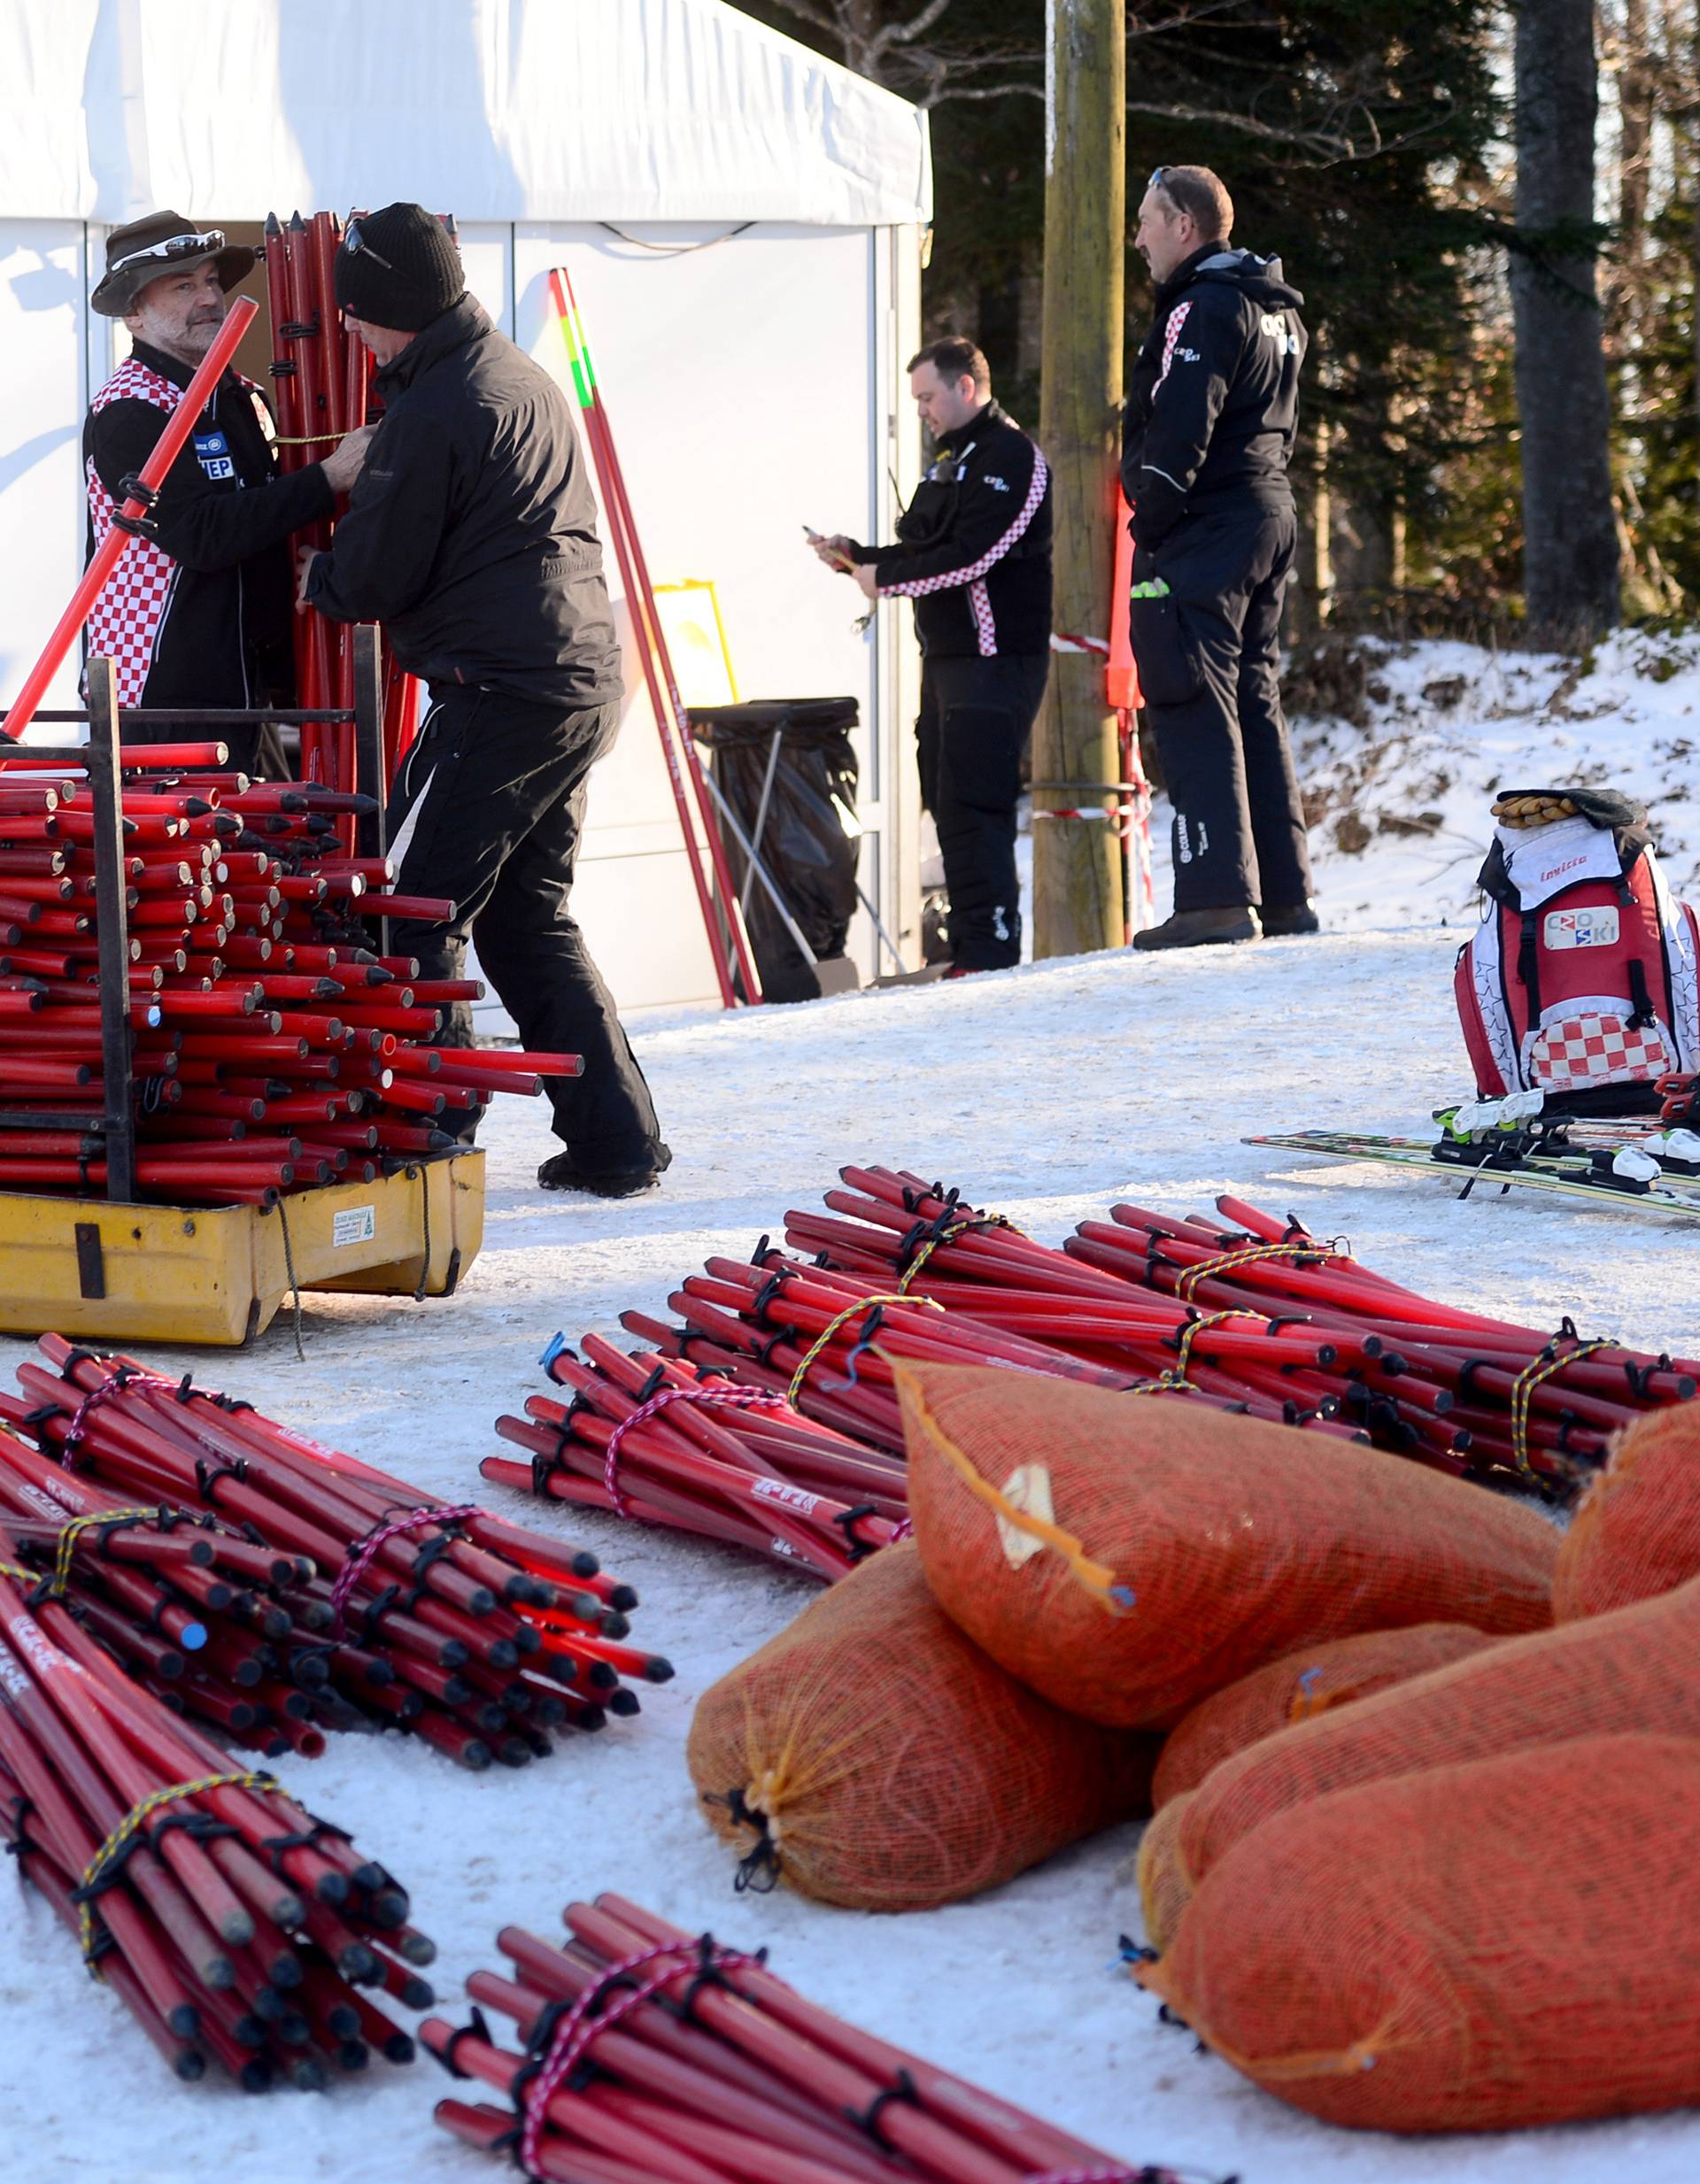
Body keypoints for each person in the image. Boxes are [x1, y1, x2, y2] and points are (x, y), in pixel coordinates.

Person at [299, 202, 668, 1199]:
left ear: (391, 310)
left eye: (357, 313)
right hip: (575, 678)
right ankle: (615, 1142)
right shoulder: (512, 370)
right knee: (526, 917)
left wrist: (315, 572)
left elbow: (375, 577)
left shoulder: (436, 410)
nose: (346, 331)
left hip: (499, 690)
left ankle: (433, 1133)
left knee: (411, 907)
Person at [84, 212, 371, 768]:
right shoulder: (129, 408)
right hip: (158, 695)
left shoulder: (238, 393)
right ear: (134, 313)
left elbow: (261, 515)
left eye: (213, 280)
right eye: (184, 286)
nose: (210, 298)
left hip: (246, 688)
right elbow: (202, 535)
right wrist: (328, 477)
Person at [1121, 164, 1318, 949]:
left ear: (1185, 227)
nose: (1138, 238)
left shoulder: (1202, 306)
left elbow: (1180, 428)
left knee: (1192, 696)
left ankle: (1213, 898)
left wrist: (1152, 522)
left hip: (1208, 524)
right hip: (1270, 512)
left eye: (1146, 222)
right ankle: (1284, 895)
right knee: (1252, 698)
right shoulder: (1276, 310)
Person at [813, 338, 1052, 975]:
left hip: (995, 660)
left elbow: (976, 555)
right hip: (947, 658)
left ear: (965, 386)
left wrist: (883, 581)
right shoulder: (952, 459)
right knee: (947, 800)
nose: (921, 410)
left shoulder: (1012, 457)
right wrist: (857, 558)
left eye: (927, 396)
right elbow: (926, 550)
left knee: (978, 802)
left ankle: (993, 948)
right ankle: (970, 949)